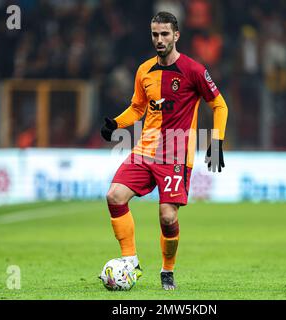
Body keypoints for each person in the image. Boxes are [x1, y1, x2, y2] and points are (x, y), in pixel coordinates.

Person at [100, 11, 228, 290]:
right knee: (114, 196)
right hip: (145, 149)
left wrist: (216, 141)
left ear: (177, 35)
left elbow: (219, 105)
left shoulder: (194, 70)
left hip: (176, 154)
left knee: (168, 217)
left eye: (165, 34)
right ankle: (129, 261)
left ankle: (167, 270)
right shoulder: (144, 70)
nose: (159, 39)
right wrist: (116, 124)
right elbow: (137, 107)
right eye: (155, 34)